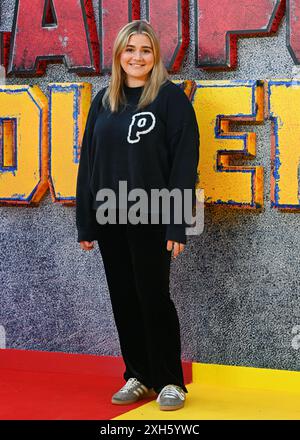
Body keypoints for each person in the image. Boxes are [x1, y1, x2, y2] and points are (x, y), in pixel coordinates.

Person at [76, 20, 199, 411]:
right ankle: (139, 376)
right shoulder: (104, 100)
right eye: (130, 50)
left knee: (153, 296)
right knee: (124, 298)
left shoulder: (169, 98)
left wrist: (176, 221)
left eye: (145, 50)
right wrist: (87, 220)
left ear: (155, 56)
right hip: (111, 214)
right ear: (118, 55)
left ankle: (169, 381)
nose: (137, 57)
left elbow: (183, 164)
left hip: (152, 213)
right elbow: (89, 163)